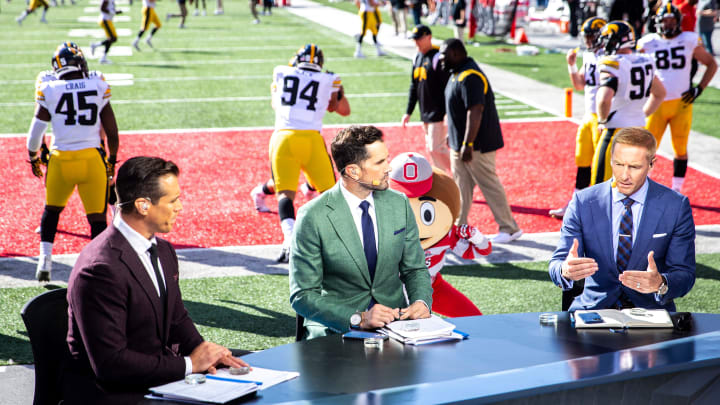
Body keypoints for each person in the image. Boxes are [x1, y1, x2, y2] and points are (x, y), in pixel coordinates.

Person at [65, 157, 249, 403]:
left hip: (159, 378)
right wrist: (190, 364)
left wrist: (204, 351)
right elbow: (111, 365)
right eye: (172, 200)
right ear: (143, 205)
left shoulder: (163, 250)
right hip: (116, 394)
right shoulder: (100, 269)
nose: (179, 207)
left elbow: (176, 317)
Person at [289, 125, 433, 340]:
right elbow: (303, 296)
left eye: (387, 159)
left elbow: (415, 269)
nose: (388, 168)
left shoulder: (399, 204)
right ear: (353, 171)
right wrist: (358, 318)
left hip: (397, 328)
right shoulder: (312, 216)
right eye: (379, 162)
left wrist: (421, 302)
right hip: (335, 332)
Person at [549, 127, 695, 311]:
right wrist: (565, 270)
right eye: (618, 164)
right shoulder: (582, 202)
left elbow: (685, 274)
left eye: (634, 167)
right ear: (610, 159)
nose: (624, 175)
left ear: (652, 164)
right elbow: (556, 263)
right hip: (592, 312)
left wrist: (661, 283)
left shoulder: (676, 205)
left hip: (651, 317)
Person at [251, 44, 350, 263]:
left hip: (283, 138)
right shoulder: (329, 78)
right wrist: (336, 91)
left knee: (285, 194)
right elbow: (341, 110)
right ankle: (337, 243)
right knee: (331, 195)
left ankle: (289, 240)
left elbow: (275, 104)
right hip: (312, 140)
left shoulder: (281, 71)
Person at [28, 42, 119, 282]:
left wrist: (33, 156)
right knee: (97, 219)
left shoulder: (49, 86)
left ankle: (44, 259)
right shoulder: (97, 83)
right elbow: (112, 131)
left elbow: (35, 133)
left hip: (61, 160)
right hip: (91, 159)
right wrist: (112, 159)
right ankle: (99, 267)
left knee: (51, 210)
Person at [438, 38, 523, 244]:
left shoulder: (471, 76)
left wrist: (468, 143)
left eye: (444, 55)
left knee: (489, 184)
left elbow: (475, 111)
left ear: (457, 54)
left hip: (476, 145)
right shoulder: (456, 73)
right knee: (460, 188)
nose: (440, 59)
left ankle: (509, 228)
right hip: (461, 144)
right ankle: (459, 228)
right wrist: (454, 135)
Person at [639, 4, 717, 193]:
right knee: (646, 148)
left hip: (681, 103)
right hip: (655, 103)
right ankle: (643, 187)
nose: (668, 24)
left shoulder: (689, 39)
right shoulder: (647, 42)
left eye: (672, 20)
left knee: (680, 148)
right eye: (665, 20)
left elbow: (711, 64)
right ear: (657, 21)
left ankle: (676, 189)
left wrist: (699, 88)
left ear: (679, 21)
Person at [590, 20, 665, 186]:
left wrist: (602, 121)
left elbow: (604, 97)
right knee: (631, 187)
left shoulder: (613, 63)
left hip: (616, 130)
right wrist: (642, 114)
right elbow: (660, 93)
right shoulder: (645, 60)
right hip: (640, 131)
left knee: (600, 187)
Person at [550, 17, 607, 218]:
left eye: (592, 36)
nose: (588, 41)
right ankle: (577, 204)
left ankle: (601, 208)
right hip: (588, 116)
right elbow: (580, 85)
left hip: (603, 118)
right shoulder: (590, 55)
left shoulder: (611, 57)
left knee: (602, 167)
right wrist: (571, 65)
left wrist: (604, 119)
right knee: (582, 160)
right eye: (587, 37)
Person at [401, 25, 452, 174]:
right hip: (425, 111)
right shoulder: (417, 57)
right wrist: (408, 112)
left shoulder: (437, 57)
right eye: (415, 39)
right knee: (433, 150)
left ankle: (460, 173)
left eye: (419, 39)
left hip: (438, 111)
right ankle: (445, 181)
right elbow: (414, 87)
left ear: (429, 37)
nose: (416, 42)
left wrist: (447, 112)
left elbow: (448, 86)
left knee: (435, 147)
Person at [90, 0, 120, 64]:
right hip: (105, 20)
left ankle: (102, 56)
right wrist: (112, 12)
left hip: (108, 20)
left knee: (112, 39)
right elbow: (102, 8)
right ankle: (100, 53)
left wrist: (115, 12)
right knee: (113, 38)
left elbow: (110, 7)